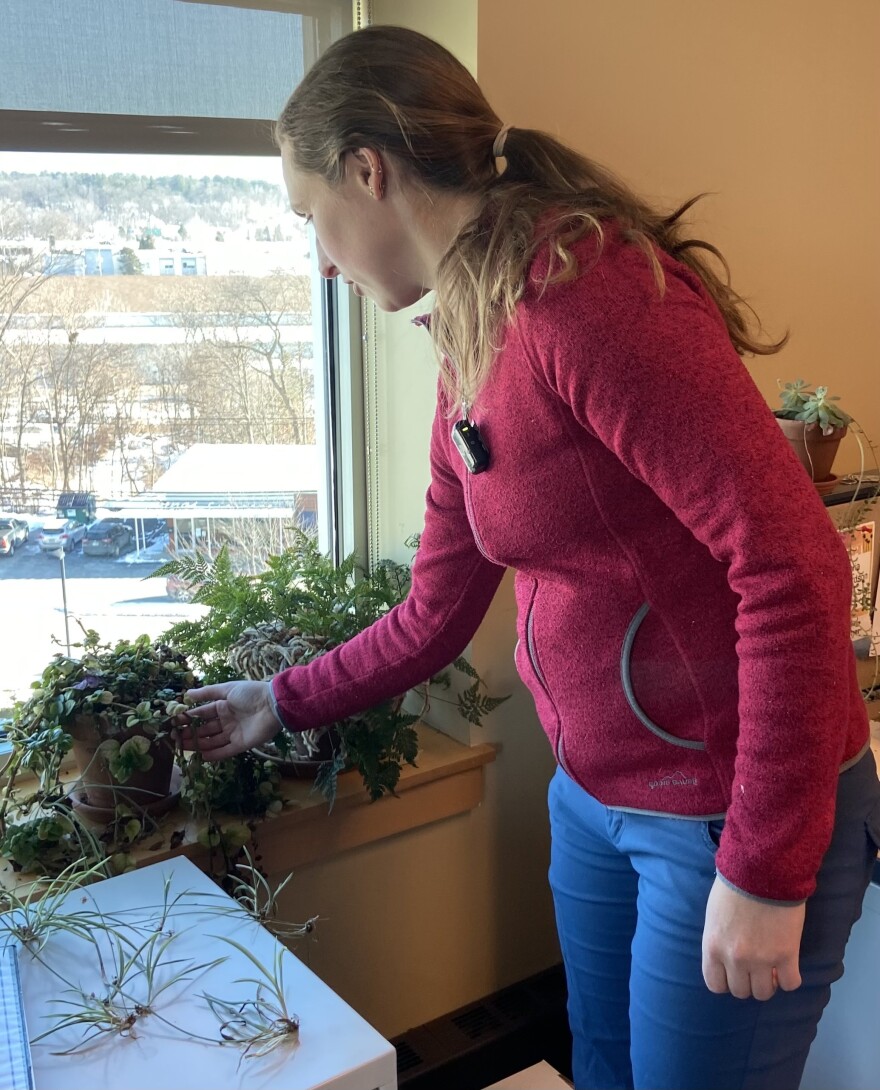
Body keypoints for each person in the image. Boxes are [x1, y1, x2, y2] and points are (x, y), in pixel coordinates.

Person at [176, 25, 880, 1090]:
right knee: (599, 1069)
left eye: (309, 215)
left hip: (725, 807)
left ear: (369, 170)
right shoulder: (471, 335)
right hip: (595, 800)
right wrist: (276, 701)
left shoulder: (589, 301)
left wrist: (768, 868)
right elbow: (435, 611)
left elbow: (793, 567)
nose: (319, 254)